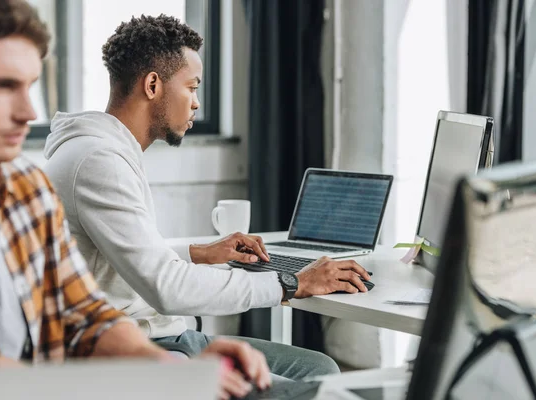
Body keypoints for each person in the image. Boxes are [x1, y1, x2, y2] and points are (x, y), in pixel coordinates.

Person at [0, 1, 271, 398]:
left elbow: (85, 313)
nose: (27, 112)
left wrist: (165, 365)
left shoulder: (26, 195)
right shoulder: (93, 160)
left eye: (29, 87)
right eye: (1, 86)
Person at [43, 14, 372, 381]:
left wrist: (199, 254)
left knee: (319, 368)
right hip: (145, 350)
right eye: (192, 87)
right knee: (316, 386)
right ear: (153, 85)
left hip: (168, 336)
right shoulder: (98, 161)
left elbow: (122, 259)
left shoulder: (103, 150)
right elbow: (167, 288)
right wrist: (292, 282)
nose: (197, 103)